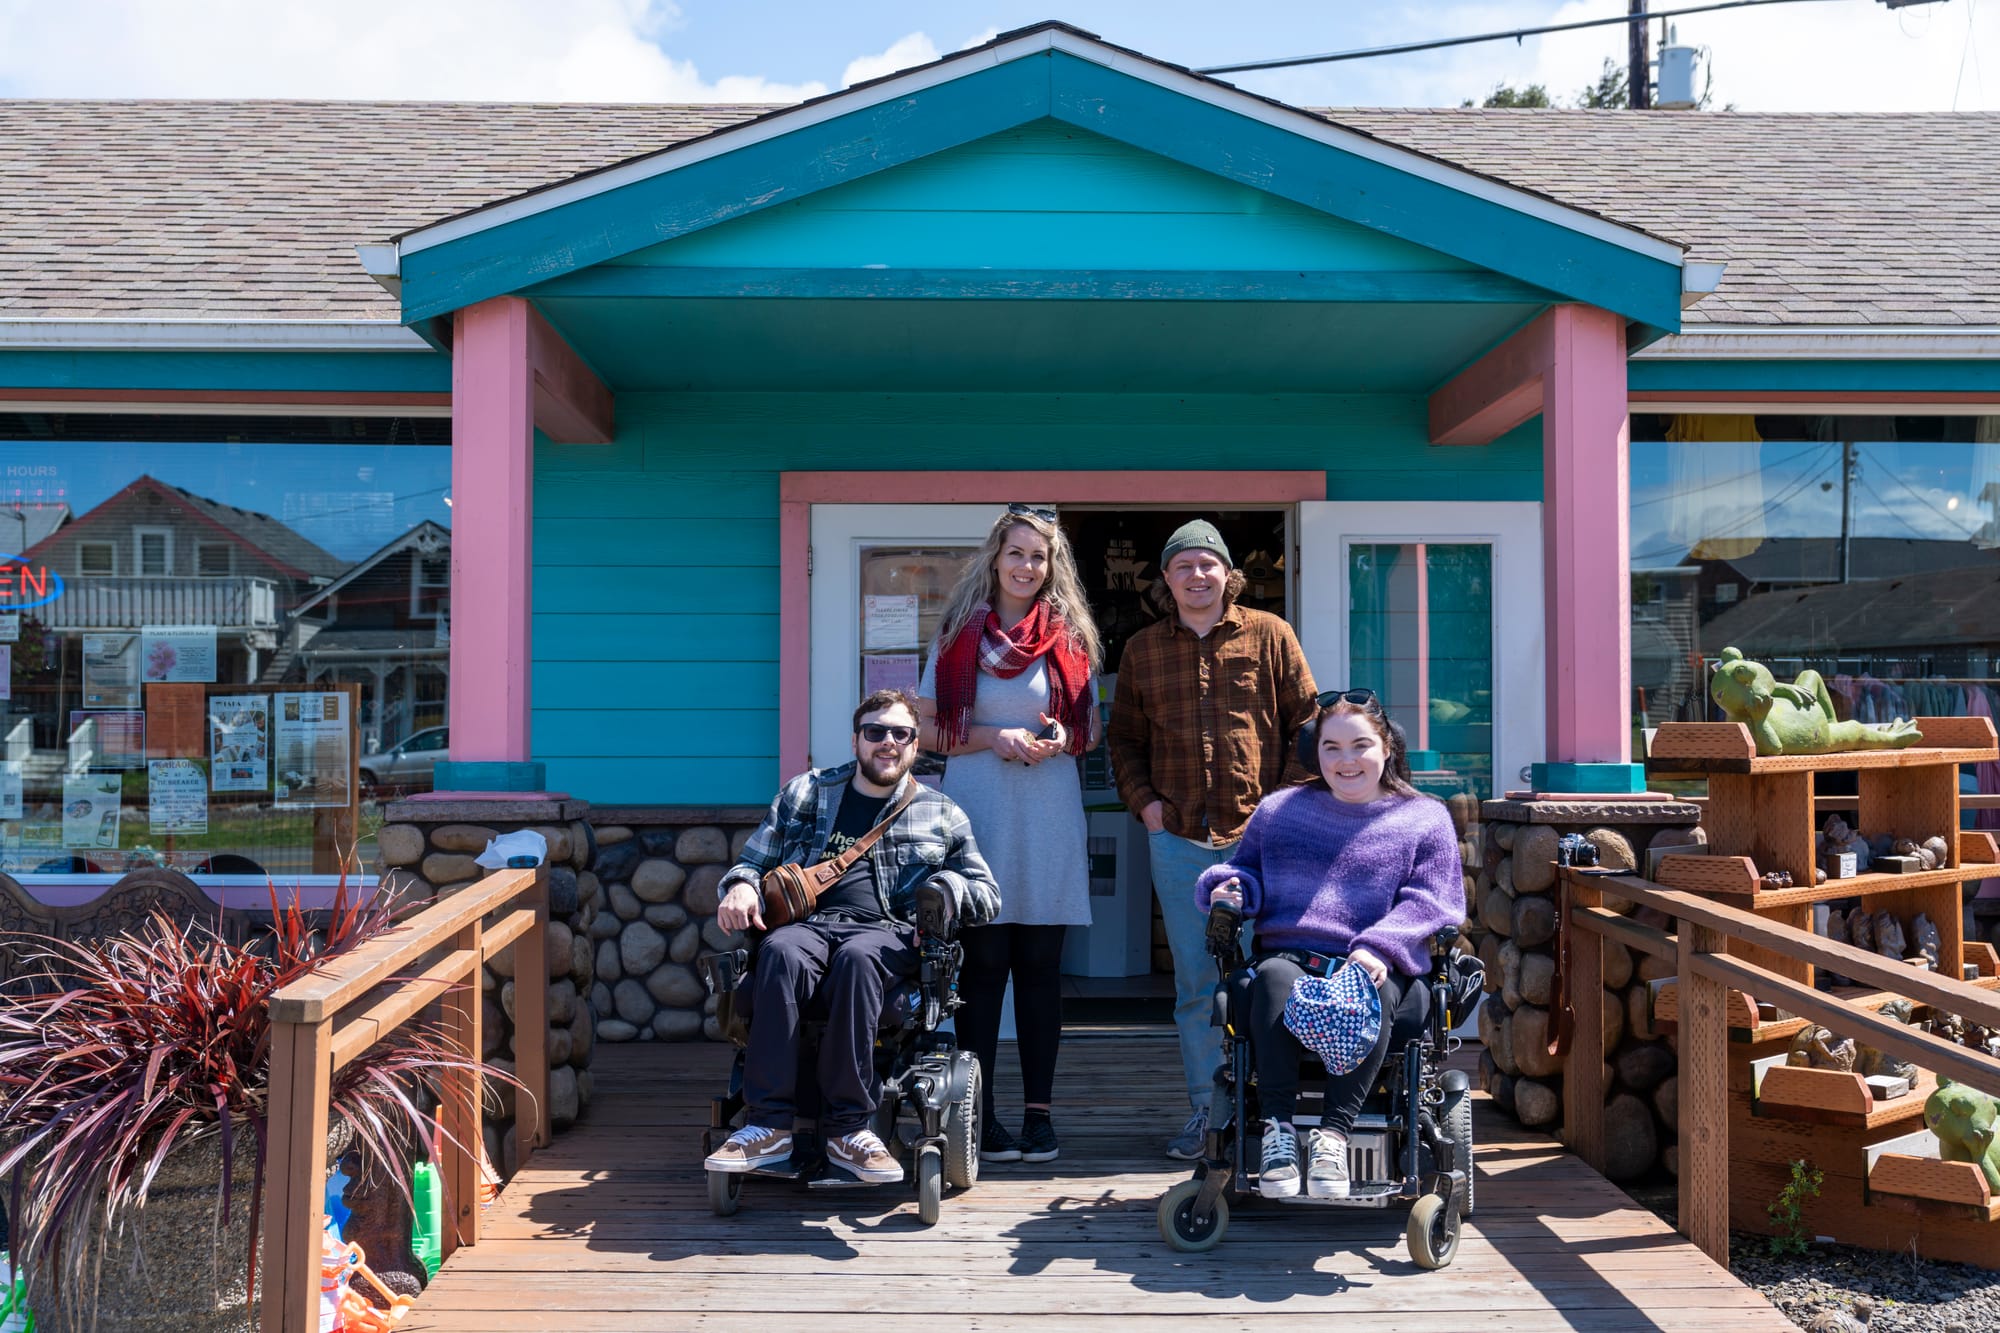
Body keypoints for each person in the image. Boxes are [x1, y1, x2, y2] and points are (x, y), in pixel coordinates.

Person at [703, 689, 1000, 1185]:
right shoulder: (807, 792)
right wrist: (739, 886)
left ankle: (849, 1130)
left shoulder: (942, 812)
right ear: (856, 739)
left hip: (888, 931)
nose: (888, 742)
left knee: (859, 960)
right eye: (875, 731)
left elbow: (987, 894)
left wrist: (947, 886)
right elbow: (752, 862)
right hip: (809, 926)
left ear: (915, 744)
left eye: (900, 734)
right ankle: (768, 1126)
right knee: (778, 951)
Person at [1196, 688, 1463, 1198]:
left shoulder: (1423, 818)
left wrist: (1377, 946)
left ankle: (1333, 1137)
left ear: (1387, 748)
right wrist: (1230, 890)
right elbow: (1246, 872)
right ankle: (1277, 1131)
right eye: (1331, 747)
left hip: (1379, 963)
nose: (1346, 761)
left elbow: (1436, 902)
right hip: (1291, 954)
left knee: (1375, 993)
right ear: (1314, 753)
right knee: (1271, 980)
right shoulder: (1280, 811)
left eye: (1360, 745)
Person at [1106, 519, 1318, 1159]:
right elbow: (1124, 741)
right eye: (1183, 566)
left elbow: (1308, 727)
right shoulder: (1142, 650)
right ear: (1166, 579)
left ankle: (1272, 1118)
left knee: (1272, 979)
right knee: (1198, 986)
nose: (1197, 576)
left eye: (1208, 564)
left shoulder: (1272, 635)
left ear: (1229, 574)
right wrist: (1145, 807)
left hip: (1263, 844)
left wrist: (1279, 811)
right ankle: (1210, 1115)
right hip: (1178, 842)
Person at [918, 503, 1101, 1165]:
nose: (1028, 566)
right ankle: (980, 1113)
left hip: (1048, 814)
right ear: (995, 557)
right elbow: (931, 727)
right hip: (980, 813)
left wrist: (1059, 736)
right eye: (1017, 552)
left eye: (1040, 556)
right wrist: (994, 736)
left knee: (1040, 970)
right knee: (984, 965)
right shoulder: (957, 633)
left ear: (1053, 567)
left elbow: (1089, 730)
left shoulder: (1069, 637)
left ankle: (1039, 1117)